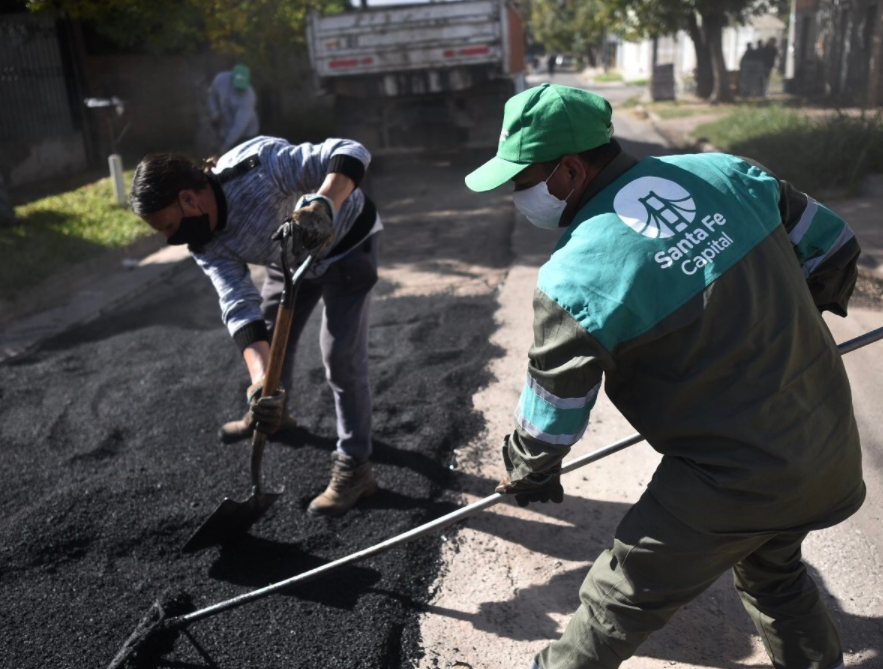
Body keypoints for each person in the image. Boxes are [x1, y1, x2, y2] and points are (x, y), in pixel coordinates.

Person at [465, 83, 861, 669]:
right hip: (824, 439)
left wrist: (528, 471)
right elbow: (834, 247)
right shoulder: (728, 174)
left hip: (731, 477)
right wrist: (790, 320)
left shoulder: (573, 280)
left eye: (521, 182)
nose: (514, 197)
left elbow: (551, 420)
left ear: (570, 170)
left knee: (612, 602)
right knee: (774, 576)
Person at [130, 135, 382, 517]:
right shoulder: (205, 244)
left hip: (347, 246)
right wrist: (262, 384)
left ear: (188, 199)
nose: (171, 238)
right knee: (269, 339)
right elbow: (237, 305)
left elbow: (350, 151)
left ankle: (355, 466)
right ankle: (272, 411)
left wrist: (324, 203)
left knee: (340, 358)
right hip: (291, 257)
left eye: (168, 226)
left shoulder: (258, 167)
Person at [208, 64, 260, 154]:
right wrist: (215, 111)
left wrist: (226, 145)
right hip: (225, 130)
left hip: (245, 135)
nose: (240, 89)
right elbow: (212, 95)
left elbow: (239, 126)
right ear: (231, 78)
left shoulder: (248, 97)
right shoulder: (220, 80)